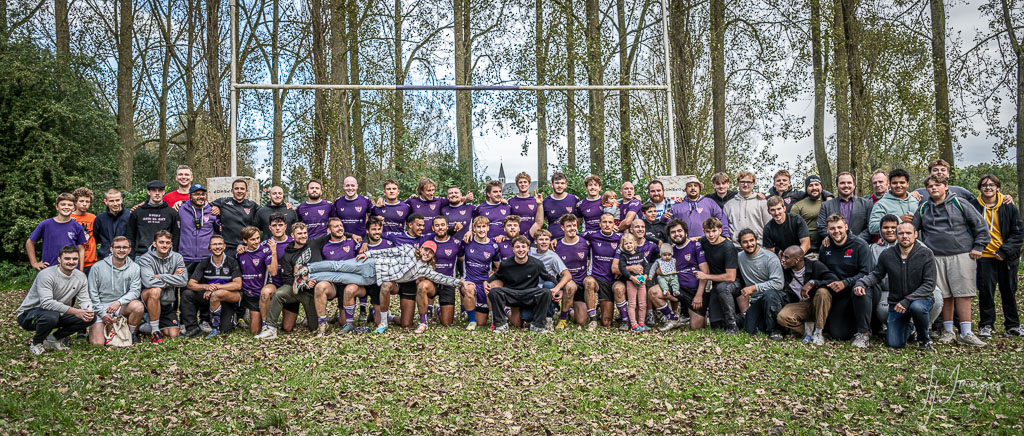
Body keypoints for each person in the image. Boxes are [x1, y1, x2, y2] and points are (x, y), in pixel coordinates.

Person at [913, 174, 990, 347]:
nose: (933, 188)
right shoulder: (924, 208)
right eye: (930, 186)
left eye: (937, 185)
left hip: (961, 254)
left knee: (963, 294)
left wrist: (979, 246)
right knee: (944, 295)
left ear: (946, 186)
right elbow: (913, 230)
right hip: (935, 256)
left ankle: (966, 332)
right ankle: (948, 331)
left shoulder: (959, 203)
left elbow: (980, 225)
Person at [854, 223, 937, 350]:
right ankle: (910, 327)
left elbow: (929, 284)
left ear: (915, 235)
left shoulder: (926, 254)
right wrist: (862, 283)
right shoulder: (888, 254)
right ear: (897, 236)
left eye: (908, 233)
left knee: (917, 308)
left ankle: (924, 340)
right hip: (897, 302)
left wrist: (907, 300)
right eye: (901, 233)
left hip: (920, 299)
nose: (905, 236)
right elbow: (877, 274)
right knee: (894, 343)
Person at [969, 174, 1024, 338]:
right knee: (986, 291)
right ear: (980, 188)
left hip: (1006, 256)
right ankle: (986, 325)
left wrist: (1004, 251)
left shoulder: (1008, 206)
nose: (988, 188)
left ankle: (1013, 325)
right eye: (984, 185)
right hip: (984, 255)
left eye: (992, 185)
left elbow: (1018, 232)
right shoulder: (974, 206)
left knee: (1009, 290)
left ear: (998, 187)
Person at [17, 246, 92, 355]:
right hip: (28, 314)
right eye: (67, 258)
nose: (71, 262)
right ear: (59, 259)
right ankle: (36, 343)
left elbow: (84, 299)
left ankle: (53, 339)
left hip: (56, 313)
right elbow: (46, 303)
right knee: (51, 316)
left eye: (75, 259)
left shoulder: (80, 276)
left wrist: (88, 310)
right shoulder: (46, 274)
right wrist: (76, 311)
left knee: (90, 317)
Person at [254, 223, 320, 340]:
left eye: (305, 233)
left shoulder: (314, 243)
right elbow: (287, 278)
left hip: (312, 292)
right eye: (299, 233)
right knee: (279, 294)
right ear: (292, 235)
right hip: (297, 289)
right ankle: (270, 328)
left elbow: (333, 236)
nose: (303, 236)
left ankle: (313, 319)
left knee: (314, 327)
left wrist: (352, 236)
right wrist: (302, 282)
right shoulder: (288, 253)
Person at [818, 214, 875, 348]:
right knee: (838, 334)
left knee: (859, 289)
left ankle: (864, 334)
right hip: (840, 293)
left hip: (862, 288)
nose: (836, 231)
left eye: (839, 227)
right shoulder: (825, 247)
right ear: (827, 230)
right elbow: (822, 272)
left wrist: (846, 283)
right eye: (832, 229)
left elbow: (867, 273)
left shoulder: (860, 245)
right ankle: (857, 326)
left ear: (846, 227)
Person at [647, 219, 710, 331]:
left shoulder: (695, 246)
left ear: (685, 232)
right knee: (653, 292)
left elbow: (705, 272)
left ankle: (701, 314)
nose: (676, 234)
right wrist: (659, 271)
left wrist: (699, 295)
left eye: (679, 231)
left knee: (696, 327)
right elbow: (659, 269)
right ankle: (673, 319)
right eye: (673, 232)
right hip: (678, 288)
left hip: (694, 291)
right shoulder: (670, 251)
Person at [486, 236, 557, 333]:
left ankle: (538, 326)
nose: (521, 250)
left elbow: (549, 277)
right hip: (512, 295)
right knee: (494, 292)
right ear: (513, 249)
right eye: (517, 247)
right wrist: (486, 282)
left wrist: (559, 289)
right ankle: (501, 325)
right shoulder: (505, 264)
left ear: (528, 248)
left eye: (523, 247)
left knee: (546, 292)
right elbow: (496, 276)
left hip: (529, 295)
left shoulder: (537, 264)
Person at [775, 245, 839, 345]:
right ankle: (808, 331)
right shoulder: (785, 270)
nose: (782, 260)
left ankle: (818, 332)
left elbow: (834, 281)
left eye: (786, 257)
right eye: (782, 256)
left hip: (820, 303)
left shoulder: (815, 266)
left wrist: (813, 282)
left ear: (797, 260)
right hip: (802, 305)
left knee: (822, 292)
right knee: (782, 317)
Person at [87, 236, 144, 346]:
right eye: (118, 247)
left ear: (129, 250)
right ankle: (105, 328)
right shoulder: (97, 267)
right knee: (97, 343)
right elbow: (92, 294)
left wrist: (119, 302)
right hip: (101, 305)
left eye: (124, 247)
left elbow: (135, 291)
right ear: (111, 249)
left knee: (138, 306)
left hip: (120, 306)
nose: (121, 250)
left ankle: (130, 333)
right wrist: (102, 314)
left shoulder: (134, 267)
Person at [183, 235, 242, 338]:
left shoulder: (232, 261)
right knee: (187, 294)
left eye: (220, 244)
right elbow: (191, 284)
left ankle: (229, 317)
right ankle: (192, 328)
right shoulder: (204, 262)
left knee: (225, 330)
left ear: (224, 246)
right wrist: (206, 286)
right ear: (209, 247)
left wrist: (216, 288)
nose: (217, 247)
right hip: (210, 296)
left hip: (227, 298)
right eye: (214, 244)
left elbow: (238, 284)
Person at [413, 216, 464, 332]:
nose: (440, 228)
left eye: (442, 225)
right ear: (433, 228)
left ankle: (438, 310)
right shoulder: (427, 241)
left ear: (447, 227)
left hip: (448, 283)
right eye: (437, 225)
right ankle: (423, 322)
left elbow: (463, 260)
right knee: (422, 286)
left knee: (447, 323)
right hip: (432, 282)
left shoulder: (456, 243)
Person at [732, 230, 786, 338]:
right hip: (756, 301)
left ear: (756, 240)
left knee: (769, 295)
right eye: (745, 242)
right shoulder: (739, 257)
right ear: (740, 244)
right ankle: (755, 320)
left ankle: (775, 330)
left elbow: (778, 284)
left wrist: (753, 288)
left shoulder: (770, 257)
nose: (749, 244)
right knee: (750, 329)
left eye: (751, 240)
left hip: (775, 298)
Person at [137, 230, 188, 343]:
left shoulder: (177, 257)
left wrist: (159, 276)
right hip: (148, 299)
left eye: (167, 243)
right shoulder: (145, 258)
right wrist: (173, 277)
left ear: (171, 244)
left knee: (173, 334)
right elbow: (148, 282)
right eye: (161, 242)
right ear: (154, 244)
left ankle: (143, 327)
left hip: (166, 302)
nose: (164, 245)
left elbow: (183, 281)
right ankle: (155, 332)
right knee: (155, 290)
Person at [311, 218, 359, 336]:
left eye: (341, 225)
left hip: (348, 283)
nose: (340, 228)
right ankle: (322, 324)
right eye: (336, 226)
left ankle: (339, 315)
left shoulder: (353, 242)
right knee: (320, 287)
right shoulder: (324, 247)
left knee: (343, 322)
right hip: (333, 284)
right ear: (329, 230)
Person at [582, 213, 629, 329]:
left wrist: (658, 241)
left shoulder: (620, 238)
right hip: (596, 277)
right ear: (600, 224)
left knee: (607, 322)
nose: (607, 225)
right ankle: (592, 319)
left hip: (612, 280)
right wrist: (556, 240)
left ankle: (601, 308)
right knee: (588, 282)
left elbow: (637, 240)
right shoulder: (592, 235)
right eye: (604, 222)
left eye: (610, 222)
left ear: (614, 224)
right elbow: (574, 236)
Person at [695, 217, 741, 334]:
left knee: (723, 288)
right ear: (704, 232)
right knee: (716, 325)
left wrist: (706, 276)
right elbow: (693, 241)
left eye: (714, 231)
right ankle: (740, 318)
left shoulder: (728, 247)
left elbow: (731, 277)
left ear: (720, 230)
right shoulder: (704, 241)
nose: (711, 235)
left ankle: (732, 325)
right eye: (708, 232)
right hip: (717, 284)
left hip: (734, 283)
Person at [523, 229, 573, 329]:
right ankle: (537, 314)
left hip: (547, 290)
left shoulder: (553, 257)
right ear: (535, 242)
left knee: (548, 285)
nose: (544, 242)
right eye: (541, 239)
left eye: (546, 239)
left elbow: (567, 275)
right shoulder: (529, 252)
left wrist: (558, 288)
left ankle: (548, 316)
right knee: (526, 317)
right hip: (532, 289)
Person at [553, 214, 596, 329]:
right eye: (568, 226)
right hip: (566, 283)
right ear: (562, 228)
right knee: (570, 286)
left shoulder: (585, 243)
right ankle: (562, 319)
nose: (572, 228)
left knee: (581, 320)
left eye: (574, 225)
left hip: (581, 283)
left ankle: (569, 310)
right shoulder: (556, 245)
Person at [27, 192, 87, 271]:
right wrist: (34, 263)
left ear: (74, 208)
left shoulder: (77, 227)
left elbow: (81, 249)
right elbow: (30, 243)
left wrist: (81, 270)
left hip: (71, 270)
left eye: (69, 205)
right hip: (49, 269)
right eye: (63, 204)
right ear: (57, 207)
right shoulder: (45, 224)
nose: (66, 207)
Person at [236, 226, 279, 336]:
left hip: (262, 292)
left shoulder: (265, 251)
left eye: (258, 238)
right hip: (250, 295)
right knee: (254, 331)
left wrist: (274, 252)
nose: (256, 241)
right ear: (245, 240)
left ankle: (266, 325)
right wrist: (239, 247)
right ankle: (247, 313)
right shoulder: (240, 253)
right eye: (253, 239)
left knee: (265, 293)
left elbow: (273, 272)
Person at [461, 216, 501, 330]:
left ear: (488, 228)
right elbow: (458, 257)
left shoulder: (493, 246)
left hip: (484, 283)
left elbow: (498, 267)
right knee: (469, 290)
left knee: (482, 322)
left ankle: (492, 317)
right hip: (469, 281)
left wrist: (493, 275)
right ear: (474, 228)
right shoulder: (467, 242)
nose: (481, 230)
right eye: (478, 227)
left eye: (484, 226)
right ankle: (471, 321)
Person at [665, 175, 730, 239]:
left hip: (707, 242)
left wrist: (725, 235)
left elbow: (722, 218)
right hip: (685, 242)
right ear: (685, 189)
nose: (693, 188)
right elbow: (668, 222)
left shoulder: (710, 202)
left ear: (700, 188)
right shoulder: (677, 206)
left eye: (695, 186)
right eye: (689, 186)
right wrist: (664, 218)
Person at [126, 181, 180, 259]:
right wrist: (131, 256)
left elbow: (176, 237)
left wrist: (172, 255)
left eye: (160, 190)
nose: (157, 193)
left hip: (165, 256)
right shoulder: (137, 212)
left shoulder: (172, 213)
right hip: (141, 255)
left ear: (164, 192)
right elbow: (130, 236)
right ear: (148, 192)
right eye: (154, 190)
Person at [817, 172, 873, 245]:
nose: (846, 185)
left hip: (859, 245)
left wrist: (856, 241)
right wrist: (833, 237)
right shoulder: (826, 205)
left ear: (854, 185)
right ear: (837, 186)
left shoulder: (867, 204)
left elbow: (870, 227)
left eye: (849, 183)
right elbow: (821, 227)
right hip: (835, 246)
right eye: (842, 183)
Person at [613, 233, 650, 331]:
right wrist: (631, 278)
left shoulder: (640, 255)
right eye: (626, 244)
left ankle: (642, 323)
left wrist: (645, 276)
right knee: (632, 304)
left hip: (641, 282)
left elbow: (647, 265)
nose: (629, 245)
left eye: (630, 243)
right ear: (622, 246)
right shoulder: (623, 256)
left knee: (642, 303)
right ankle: (634, 324)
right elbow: (622, 269)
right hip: (631, 282)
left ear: (634, 243)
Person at [210, 179, 259, 255]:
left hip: (246, 247)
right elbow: (204, 206)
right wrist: (214, 208)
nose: (239, 191)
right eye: (236, 188)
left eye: (242, 189)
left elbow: (266, 212)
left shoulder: (252, 205)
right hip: (227, 248)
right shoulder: (222, 202)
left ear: (246, 191)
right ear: (232, 191)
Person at [723, 170, 770, 249]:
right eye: (742, 182)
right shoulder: (728, 205)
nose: (745, 184)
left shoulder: (762, 203)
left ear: (753, 184)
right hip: (736, 247)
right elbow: (724, 228)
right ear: (738, 183)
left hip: (759, 247)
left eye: (748, 182)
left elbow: (769, 226)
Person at [177, 184, 220, 269]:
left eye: (203, 194)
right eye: (197, 194)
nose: (200, 197)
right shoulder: (181, 209)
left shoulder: (212, 211)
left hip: (207, 257)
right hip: (185, 257)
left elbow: (219, 231)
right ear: (190, 196)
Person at [868, 168, 919, 237]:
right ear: (889, 184)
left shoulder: (915, 200)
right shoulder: (881, 204)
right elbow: (872, 228)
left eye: (902, 182)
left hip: (917, 242)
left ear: (907, 184)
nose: (898, 185)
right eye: (895, 183)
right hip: (894, 243)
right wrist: (897, 220)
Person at [911, 159, 981, 204]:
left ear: (948, 174)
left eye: (943, 170)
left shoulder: (961, 191)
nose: (939, 172)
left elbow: (979, 204)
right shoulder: (919, 193)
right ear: (930, 174)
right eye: (935, 170)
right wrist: (909, 196)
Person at [790, 176, 826, 249]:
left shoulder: (829, 202)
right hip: (808, 246)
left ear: (821, 187)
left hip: (828, 243)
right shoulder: (798, 206)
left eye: (817, 184)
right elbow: (791, 230)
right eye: (810, 185)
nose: (814, 188)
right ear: (806, 188)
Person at [94, 188, 131, 261]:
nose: (115, 204)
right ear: (105, 201)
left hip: (126, 258)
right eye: (111, 201)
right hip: (105, 258)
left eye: (117, 200)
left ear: (121, 199)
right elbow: (95, 239)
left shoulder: (130, 216)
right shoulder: (100, 218)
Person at [543, 172, 579, 239]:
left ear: (566, 185)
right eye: (557, 183)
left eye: (562, 183)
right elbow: (544, 219)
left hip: (571, 239)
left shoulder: (574, 199)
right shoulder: (546, 201)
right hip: (552, 240)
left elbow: (579, 218)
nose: (559, 185)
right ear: (552, 185)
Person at [70, 187, 98, 273]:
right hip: (72, 261)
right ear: (75, 202)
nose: (84, 204)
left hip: (90, 263)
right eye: (81, 201)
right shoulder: (69, 217)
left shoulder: (93, 218)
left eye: (87, 202)